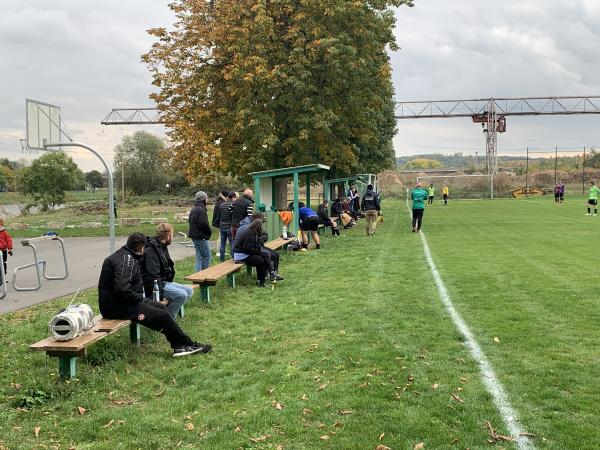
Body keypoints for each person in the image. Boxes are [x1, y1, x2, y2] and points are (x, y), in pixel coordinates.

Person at [98, 232, 211, 357]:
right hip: (116, 306)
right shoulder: (125, 261)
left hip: (124, 301)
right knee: (162, 315)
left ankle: (180, 343)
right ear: (140, 248)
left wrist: (140, 299)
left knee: (161, 308)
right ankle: (184, 345)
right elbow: (122, 290)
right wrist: (140, 299)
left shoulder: (128, 255)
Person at [141, 223, 194, 318]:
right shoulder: (151, 250)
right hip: (153, 286)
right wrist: (160, 295)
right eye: (172, 234)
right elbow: (152, 276)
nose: (173, 237)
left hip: (163, 282)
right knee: (181, 295)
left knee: (189, 291)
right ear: (168, 236)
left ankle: (163, 316)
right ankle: (167, 322)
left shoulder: (161, 246)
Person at [238, 213, 284, 281]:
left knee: (275, 255)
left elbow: (264, 237)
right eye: (263, 221)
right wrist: (259, 249)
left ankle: (273, 273)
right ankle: (268, 275)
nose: (263, 224)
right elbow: (246, 247)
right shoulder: (249, 228)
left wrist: (260, 237)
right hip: (241, 253)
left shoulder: (255, 227)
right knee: (265, 257)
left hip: (254, 247)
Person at [233, 219, 270, 287]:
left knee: (261, 259)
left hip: (244, 253)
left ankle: (260, 281)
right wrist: (258, 251)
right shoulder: (249, 234)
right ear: (257, 227)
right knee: (262, 261)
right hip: (241, 255)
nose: (261, 229)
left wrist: (257, 250)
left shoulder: (251, 232)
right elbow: (247, 249)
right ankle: (261, 283)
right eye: (260, 227)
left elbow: (251, 247)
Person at [188, 191, 212, 271]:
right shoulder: (201, 209)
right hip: (201, 236)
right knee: (207, 256)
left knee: (199, 256)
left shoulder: (194, 208)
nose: (207, 199)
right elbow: (203, 224)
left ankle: (197, 276)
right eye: (206, 198)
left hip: (194, 236)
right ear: (203, 199)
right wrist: (209, 232)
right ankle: (203, 276)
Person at [216, 191, 235, 262]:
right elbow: (233, 216)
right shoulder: (233, 204)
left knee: (222, 243)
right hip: (229, 226)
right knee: (231, 243)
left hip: (222, 226)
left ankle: (222, 258)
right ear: (233, 197)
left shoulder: (221, 205)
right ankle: (233, 258)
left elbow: (218, 216)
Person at [212, 190, 228, 259]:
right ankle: (218, 251)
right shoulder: (221, 203)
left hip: (219, 221)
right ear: (225, 196)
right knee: (221, 237)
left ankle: (221, 251)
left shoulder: (220, 201)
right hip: (219, 222)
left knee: (221, 237)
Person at [0, 218, 13, 283]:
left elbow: (8, 240)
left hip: (3, 251)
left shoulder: (4, 232)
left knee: (3, 264)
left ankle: (3, 277)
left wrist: (10, 249)